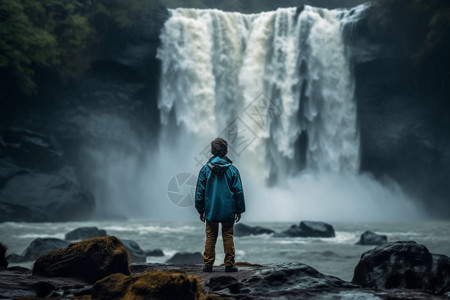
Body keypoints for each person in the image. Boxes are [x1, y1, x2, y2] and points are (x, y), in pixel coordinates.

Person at [195, 137, 245, 272]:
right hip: (228, 209)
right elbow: (238, 191)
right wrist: (239, 210)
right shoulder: (233, 170)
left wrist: (200, 209)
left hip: (211, 209)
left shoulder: (205, 169)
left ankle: (208, 265)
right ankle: (229, 265)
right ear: (226, 151)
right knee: (228, 235)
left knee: (211, 236)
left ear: (211, 151)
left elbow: (200, 191)